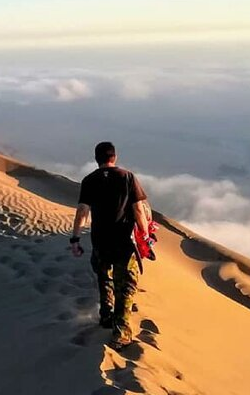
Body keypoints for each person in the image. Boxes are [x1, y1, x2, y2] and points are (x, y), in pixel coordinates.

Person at [71, 141, 152, 350]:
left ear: (97, 159)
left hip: (100, 241)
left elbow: (82, 211)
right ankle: (121, 332)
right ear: (114, 157)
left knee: (104, 276)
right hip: (124, 243)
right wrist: (145, 234)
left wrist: (75, 238)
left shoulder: (89, 180)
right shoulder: (127, 177)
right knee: (125, 286)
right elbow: (138, 210)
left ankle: (106, 316)